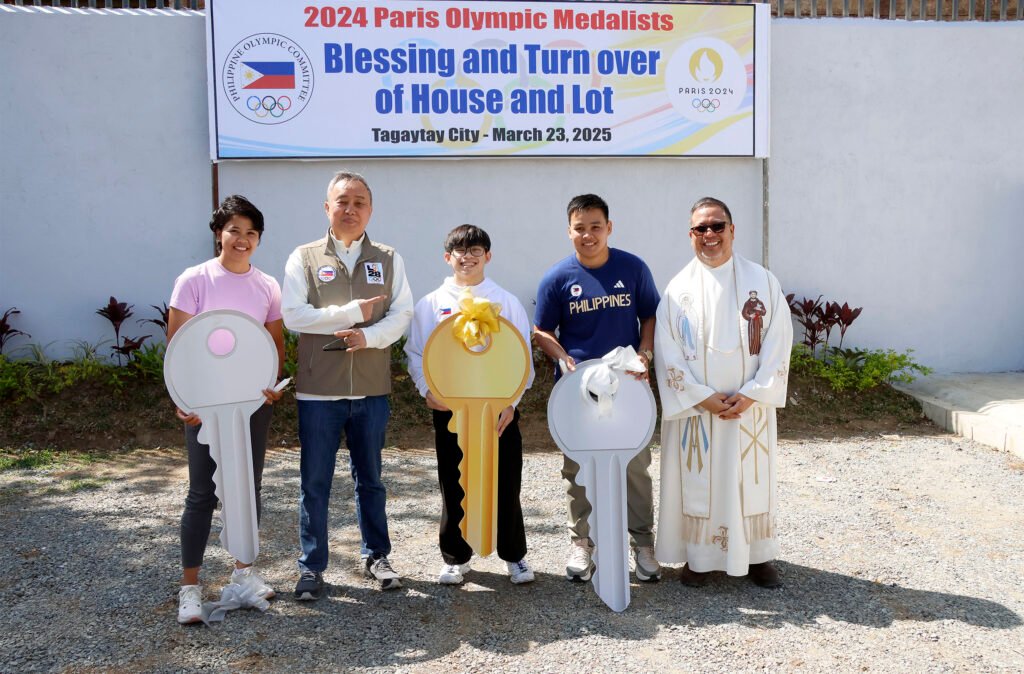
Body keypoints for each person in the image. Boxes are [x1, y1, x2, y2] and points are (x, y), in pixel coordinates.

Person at [281, 170, 413, 598]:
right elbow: (293, 315)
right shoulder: (304, 257)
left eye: (359, 202)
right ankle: (311, 567)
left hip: (371, 391)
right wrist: (352, 312)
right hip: (319, 392)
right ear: (327, 208)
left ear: (370, 209)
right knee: (314, 481)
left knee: (371, 479)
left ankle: (377, 555)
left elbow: (402, 315)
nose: (351, 209)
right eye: (342, 201)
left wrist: (369, 336)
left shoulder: (389, 257)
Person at [653, 196, 792, 589]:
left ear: (732, 230)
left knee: (750, 480)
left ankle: (758, 557)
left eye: (717, 226)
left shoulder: (763, 282)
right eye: (701, 229)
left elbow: (780, 341)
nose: (709, 235)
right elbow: (668, 352)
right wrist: (701, 397)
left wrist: (753, 393)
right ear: (691, 235)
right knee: (703, 482)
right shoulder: (677, 290)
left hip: (750, 409)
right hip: (700, 411)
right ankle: (700, 558)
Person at [167, 195, 286, 624]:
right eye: (234, 230)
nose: (243, 239)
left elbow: (274, 345)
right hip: (205, 407)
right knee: (202, 492)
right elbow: (178, 348)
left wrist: (270, 387)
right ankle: (190, 588)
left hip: (251, 406)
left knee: (246, 487)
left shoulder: (267, 285)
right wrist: (185, 400)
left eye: (251, 232)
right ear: (219, 233)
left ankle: (243, 576)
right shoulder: (194, 280)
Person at [533, 194, 662, 583]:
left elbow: (649, 315)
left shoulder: (633, 268)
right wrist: (560, 358)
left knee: (635, 466)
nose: (588, 235)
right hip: (578, 391)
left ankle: (642, 544)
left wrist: (645, 356)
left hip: (629, 387)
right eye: (579, 228)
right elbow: (541, 331)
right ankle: (582, 543)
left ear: (609, 227)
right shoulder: (557, 278)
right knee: (578, 468)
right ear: (568, 231)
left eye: (595, 226)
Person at [405, 225, 536, 586]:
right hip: (451, 409)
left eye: (475, 249)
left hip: (499, 410)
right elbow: (416, 352)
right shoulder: (431, 303)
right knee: (453, 479)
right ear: (447, 257)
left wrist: (512, 402)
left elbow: (521, 355)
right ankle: (455, 556)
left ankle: (515, 556)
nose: (467, 256)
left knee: (506, 480)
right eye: (459, 250)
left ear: (488, 256)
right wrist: (425, 390)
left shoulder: (505, 300)